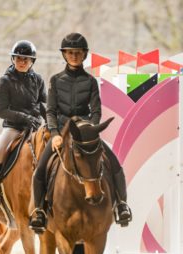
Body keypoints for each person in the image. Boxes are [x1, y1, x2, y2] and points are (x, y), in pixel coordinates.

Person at [29, 32, 132, 233]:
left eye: (77, 52)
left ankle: (121, 205)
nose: (74, 56)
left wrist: (91, 130)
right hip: (62, 132)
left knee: (114, 163)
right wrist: (55, 132)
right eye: (70, 52)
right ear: (65, 55)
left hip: (86, 133)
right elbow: (50, 110)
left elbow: (96, 111)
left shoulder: (91, 82)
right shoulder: (56, 80)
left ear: (84, 55)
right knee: (40, 169)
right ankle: (39, 211)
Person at [0, 40, 47, 208]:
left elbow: (43, 103)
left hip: (34, 127)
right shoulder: (5, 81)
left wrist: (50, 120)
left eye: (26, 59)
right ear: (13, 59)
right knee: (0, 152)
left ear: (32, 61)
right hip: (13, 127)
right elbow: (1, 110)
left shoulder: (38, 80)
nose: (22, 62)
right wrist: (25, 117)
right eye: (18, 58)